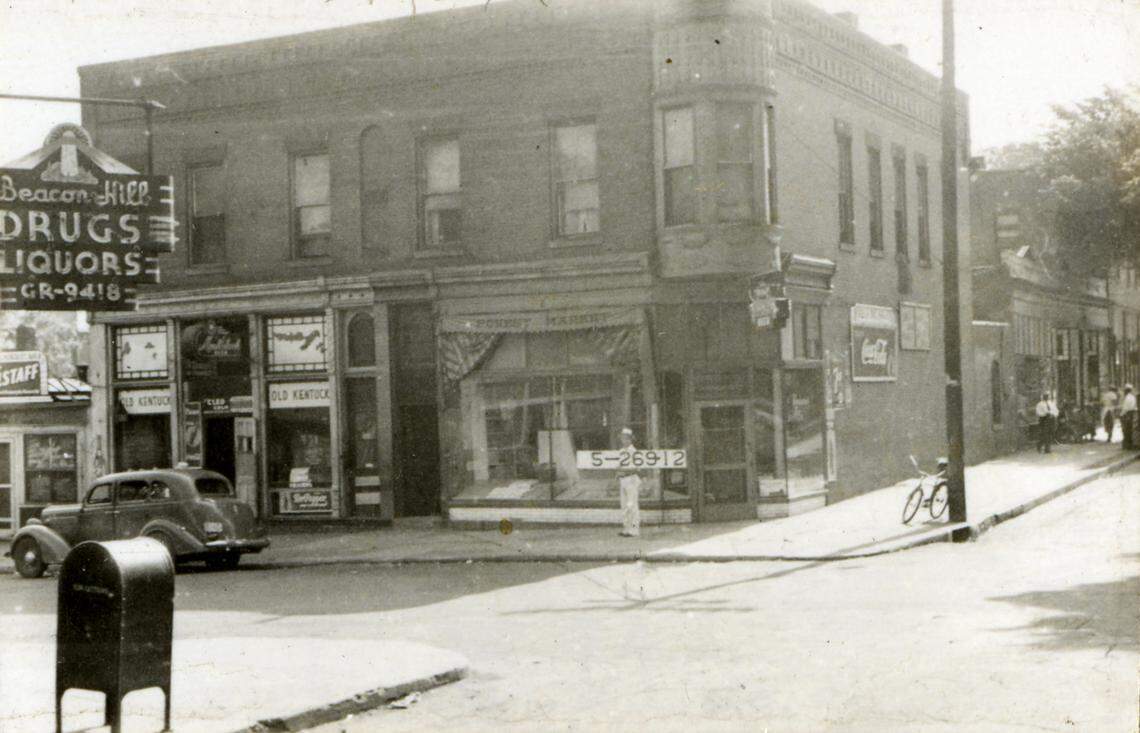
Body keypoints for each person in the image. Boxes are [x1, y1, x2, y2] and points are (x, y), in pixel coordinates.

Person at [616, 427, 642, 537]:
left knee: (632, 505)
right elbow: (618, 466)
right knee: (624, 506)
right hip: (623, 481)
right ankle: (626, 528)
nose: (624, 440)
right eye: (623, 438)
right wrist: (618, 472)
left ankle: (635, 530)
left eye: (627, 438)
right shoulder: (621, 452)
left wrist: (624, 471)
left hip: (631, 479)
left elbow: (637, 468)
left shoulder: (634, 451)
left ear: (631, 440)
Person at [1120, 384, 1137, 450]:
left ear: (1126, 390)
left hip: (1127, 414)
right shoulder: (1133, 397)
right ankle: (1130, 444)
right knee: (1130, 429)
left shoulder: (1127, 397)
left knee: (1126, 430)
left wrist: (1121, 414)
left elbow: (1125, 408)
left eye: (1125, 390)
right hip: (1132, 413)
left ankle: (1127, 445)